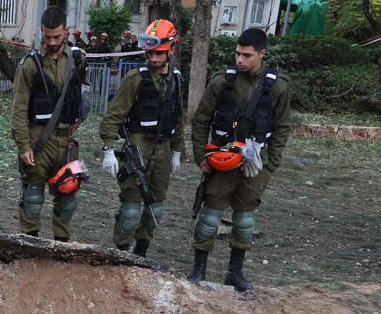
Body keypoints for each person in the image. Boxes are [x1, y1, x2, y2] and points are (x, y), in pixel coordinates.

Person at [188, 28, 291, 292]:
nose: (239, 60)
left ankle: (235, 272)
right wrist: (202, 157)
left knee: (245, 222)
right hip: (220, 161)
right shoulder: (222, 81)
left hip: (256, 164)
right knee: (210, 217)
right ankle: (198, 268)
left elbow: (281, 128)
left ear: (262, 54)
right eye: (237, 53)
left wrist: (270, 166)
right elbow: (201, 120)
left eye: (246, 55)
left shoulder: (278, 87)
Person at [99, 20, 184, 257]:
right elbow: (113, 116)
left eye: (160, 52)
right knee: (131, 211)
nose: (154, 57)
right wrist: (108, 148)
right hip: (138, 147)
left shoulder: (176, 79)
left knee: (155, 209)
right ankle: (121, 253)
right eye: (151, 52)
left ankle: (141, 253)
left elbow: (178, 118)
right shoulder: (135, 78)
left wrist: (177, 151)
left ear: (171, 50)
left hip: (164, 149)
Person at [10, 7, 89, 240]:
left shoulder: (78, 59)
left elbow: (83, 93)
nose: (52, 42)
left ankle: (61, 247)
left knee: (67, 198)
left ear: (66, 32)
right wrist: (24, 146)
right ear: (41, 32)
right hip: (37, 142)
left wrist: (79, 119)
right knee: (33, 199)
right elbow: (19, 108)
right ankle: (30, 245)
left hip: (66, 144)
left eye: (57, 36)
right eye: (47, 37)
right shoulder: (30, 65)